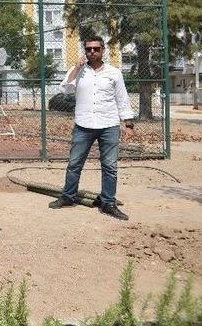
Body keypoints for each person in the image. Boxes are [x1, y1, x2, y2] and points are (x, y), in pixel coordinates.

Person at [48, 35, 136, 220]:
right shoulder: (78, 70)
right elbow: (65, 89)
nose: (92, 52)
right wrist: (76, 69)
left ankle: (108, 203)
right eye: (88, 49)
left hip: (109, 125)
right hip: (83, 124)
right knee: (74, 164)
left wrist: (128, 124)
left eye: (96, 48)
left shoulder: (114, 73)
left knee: (110, 166)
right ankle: (68, 197)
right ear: (85, 51)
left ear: (103, 50)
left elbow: (122, 98)